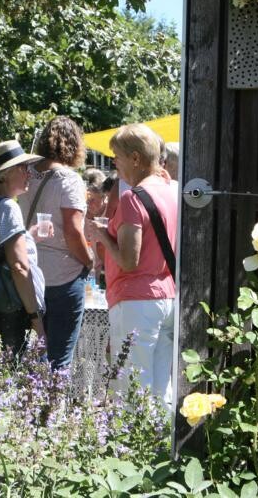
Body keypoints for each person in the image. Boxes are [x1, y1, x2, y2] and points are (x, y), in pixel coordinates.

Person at [87, 123, 178, 411]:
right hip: (168, 297)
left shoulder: (132, 198)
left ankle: (133, 440)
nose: (115, 163)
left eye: (117, 156)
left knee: (131, 388)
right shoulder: (173, 191)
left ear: (135, 158)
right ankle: (162, 438)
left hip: (136, 300)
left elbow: (129, 261)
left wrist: (102, 235)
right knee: (161, 389)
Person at [18, 116, 92, 370]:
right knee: (59, 359)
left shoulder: (25, 173)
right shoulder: (69, 180)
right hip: (62, 274)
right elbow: (72, 231)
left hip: (28, 271)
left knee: (31, 355)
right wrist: (88, 261)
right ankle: (54, 396)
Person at [0, 140, 47, 355]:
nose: (29, 173)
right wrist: (35, 319)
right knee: (18, 370)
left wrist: (28, 237)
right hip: (13, 308)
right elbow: (19, 267)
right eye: (23, 167)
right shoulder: (8, 207)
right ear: (5, 174)